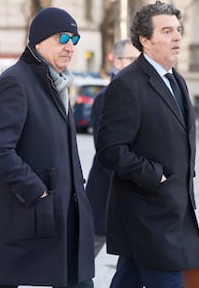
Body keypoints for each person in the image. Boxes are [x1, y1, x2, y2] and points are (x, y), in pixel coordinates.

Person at [0, 7, 94, 288]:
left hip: (63, 213)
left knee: (78, 281)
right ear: (39, 41)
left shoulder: (58, 83)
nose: (70, 46)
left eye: (74, 40)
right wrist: (37, 191)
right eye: (63, 37)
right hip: (27, 213)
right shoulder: (16, 81)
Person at [96, 1, 199, 288]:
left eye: (178, 30)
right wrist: (155, 175)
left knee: (128, 279)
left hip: (173, 210)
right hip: (147, 213)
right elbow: (110, 150)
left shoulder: (177, 80)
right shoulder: (127, 84)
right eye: (167, 31)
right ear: (145, 40)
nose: (177, 37)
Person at [85, 39, 139, 256]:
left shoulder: (138, 94)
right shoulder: (105, 98)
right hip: (105, 199)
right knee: (80, 267)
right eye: (132, 60)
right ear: (117, 62)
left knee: (130, 268)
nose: (138, 65)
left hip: (133, 204)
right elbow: (107, 154)